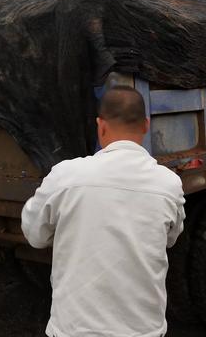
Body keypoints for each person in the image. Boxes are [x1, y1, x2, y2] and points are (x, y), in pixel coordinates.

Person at [21, 86, 186, 337]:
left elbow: (35, 235)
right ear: (146, 125)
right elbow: (170, 239)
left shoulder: (65, 176)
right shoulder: (169, 184)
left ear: (101, 126)